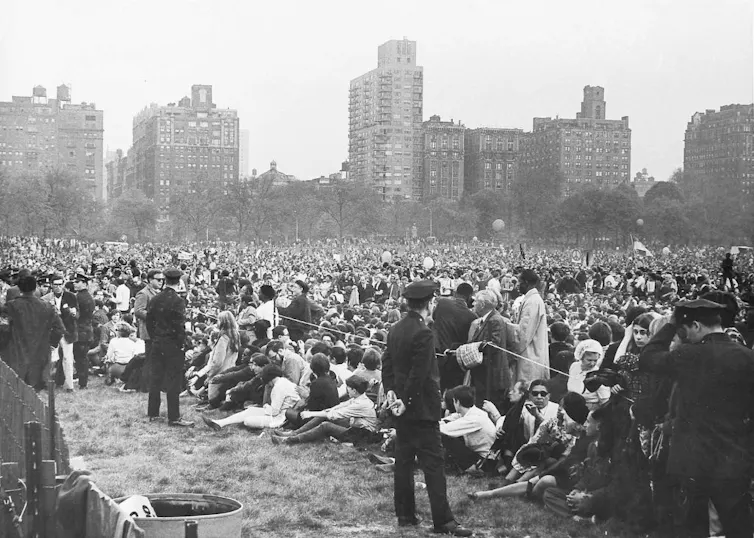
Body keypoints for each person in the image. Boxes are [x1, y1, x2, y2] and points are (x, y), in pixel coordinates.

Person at [640, 298, 754, 538]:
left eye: (685, 330)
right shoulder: (747, 357)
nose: (685, 335)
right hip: (735, 458)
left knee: (693, 526)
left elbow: (649, 357)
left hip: (693, 459)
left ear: (696, 326)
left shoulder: (688, 355)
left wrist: (670, 325)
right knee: (738, 526)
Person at [381, 279, 472, 536]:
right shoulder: (424, 333)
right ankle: (443, 521)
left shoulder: (396, 328)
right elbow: (419, 374)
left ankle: (406, 515)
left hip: (402, 406)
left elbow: (387, 364)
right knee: (433, 465)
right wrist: (405, 401)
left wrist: (392, 393)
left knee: (404, 462)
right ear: (429, 302)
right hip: (420, 408)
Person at [146, 267, 193, 427]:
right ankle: (174, 417)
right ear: (179, 281)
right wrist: (181, 344)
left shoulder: (155, 299)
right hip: (173, 345)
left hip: (158, 342)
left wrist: (155, 338)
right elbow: (179, 326)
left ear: (165, 280)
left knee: (156, 379)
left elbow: (149, 322)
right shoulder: (178, 301)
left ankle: (153, 413)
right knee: (173, 381)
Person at [270, 374, 377, 444]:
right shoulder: (358, 398)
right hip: (355, 429)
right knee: (322, 417)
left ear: (354, 390)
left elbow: (335, 414)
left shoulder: (361, 404)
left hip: (363, 436)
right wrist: (317, 413)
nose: (347, 390)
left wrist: (311, 414)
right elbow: (337, 407)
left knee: (326, 425)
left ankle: (290, 440)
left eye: (348, 388)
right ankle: (293, 434)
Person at [4, 273, 65, 390]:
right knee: (35, 393)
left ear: (19, 288)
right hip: (40, 355)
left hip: (16, 354)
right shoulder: (47, 307)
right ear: (35, 288)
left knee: (16, 392)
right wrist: (51, 344)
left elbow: (3, 328)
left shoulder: (11, 306)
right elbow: (59, 329)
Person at [203, 364, 299, 431]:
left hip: (281, 419)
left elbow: (274, 412)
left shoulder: (278, 387)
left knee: (248, 421)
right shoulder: (283, 382)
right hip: (283, 414)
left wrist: (265, 406)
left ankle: (221, 423)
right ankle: (220, 423)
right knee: (251, 410)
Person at [466, 289, 510, 409]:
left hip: (491, 377)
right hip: (484, 376)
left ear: (483, 304)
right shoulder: (487, 319)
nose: (473, 304)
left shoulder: (494, 320)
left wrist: (471, 349)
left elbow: (493, 345)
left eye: (476, 302)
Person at [440, 385, 497, 475]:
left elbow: (443, 429)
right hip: (483, 456)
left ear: (457, 402)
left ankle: (472, 469)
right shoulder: (471, 412)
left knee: (445, 437)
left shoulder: (474, 418)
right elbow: (445, 421)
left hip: (486, 461)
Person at [432, 282, 477, 391]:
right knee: (453, 391)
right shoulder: (471, 316)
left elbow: (434, 319)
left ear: (456, 293)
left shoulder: (442, 304)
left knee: (437, 388)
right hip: (455, 359)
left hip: (437, 354)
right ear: (470, 297)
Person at [507, 269, 550, 384]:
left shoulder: (532, 301)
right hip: (529, 354)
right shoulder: (531, 299)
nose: (517, 286)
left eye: (519, 282)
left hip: (529, 356)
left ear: (526, 282)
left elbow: (524, 334)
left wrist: (505, 325)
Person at [44, 275, 79, 392]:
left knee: (68, 359)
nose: (58, 287)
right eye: (55, 285)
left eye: (60, 284)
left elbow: (77, 314)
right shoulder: (46, 298)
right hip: (53, 332)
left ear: (63, 285)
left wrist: (73, 313)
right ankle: (47, 383)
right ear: (51, 286)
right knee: (51, 359)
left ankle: (69, 386)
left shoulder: (71, 297)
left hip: (67, 331)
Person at [73, 273, 95, 390]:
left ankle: (83, 383)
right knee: (81, 357)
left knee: (81, 358)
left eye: (77, 282)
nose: (74, 284)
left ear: (84, 284)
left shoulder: (79, 297)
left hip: (81, 330)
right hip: (86, 330)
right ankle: (82, 381)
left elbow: (78, 315)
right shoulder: (87, 296)